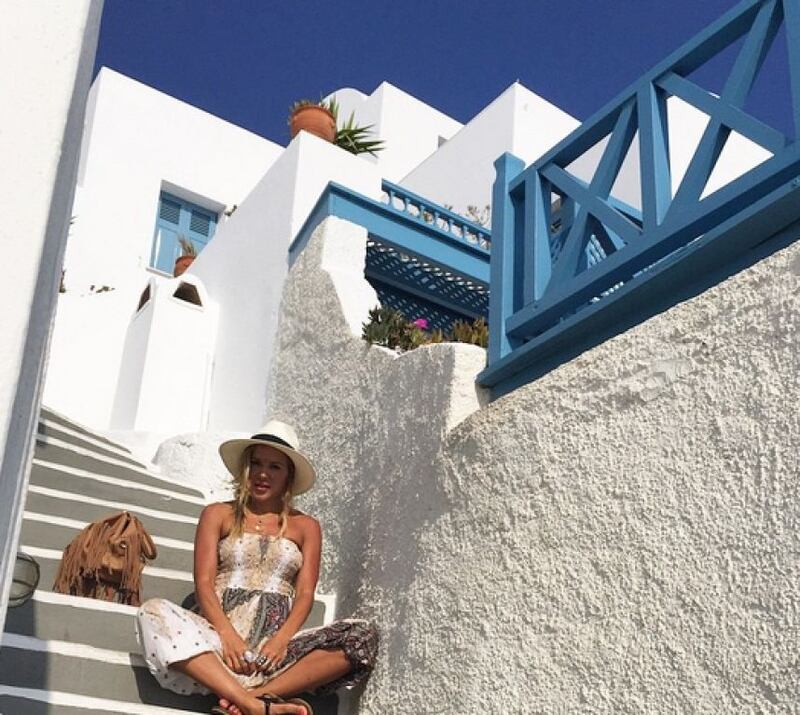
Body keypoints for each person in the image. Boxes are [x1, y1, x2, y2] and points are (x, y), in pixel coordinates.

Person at [136, 421, 378, 715]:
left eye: (275, 467)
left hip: (274, 650)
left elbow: (305, 593)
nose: (263, 474)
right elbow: (203, 583)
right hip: (219, 642)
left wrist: (281, 641)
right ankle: (255, 706)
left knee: (362, 636)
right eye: (256, 463)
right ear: (245, 469)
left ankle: (249, 699)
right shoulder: (217, 514)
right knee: (152, 611)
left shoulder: (306, 526)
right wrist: (227, 636)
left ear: (288, 476)